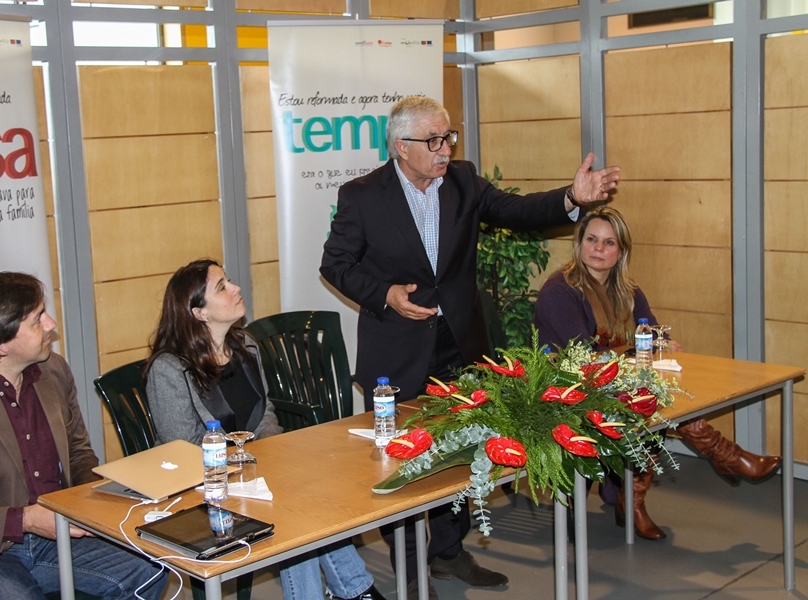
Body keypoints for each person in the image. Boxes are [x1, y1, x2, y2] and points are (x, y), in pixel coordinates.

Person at [319, 95, 620, 599]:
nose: (445, 149)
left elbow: (519, 211)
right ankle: (413, 576)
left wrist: (573, 196)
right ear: (401, 146)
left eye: (448, 137)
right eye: (433, 140)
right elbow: (336, 264)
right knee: (403, 465)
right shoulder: (362, 196)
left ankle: (450, 552)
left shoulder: (461, 180)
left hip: (459, 345)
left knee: (464, 453)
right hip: (397, 352)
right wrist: (385, 295)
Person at [0, 272, 166, 600]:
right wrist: (25, 520)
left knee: (150, 569)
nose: (51, 324)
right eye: (37, 319)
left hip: (55, 537)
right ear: (1, 342)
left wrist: (102, 504)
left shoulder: (54, 372)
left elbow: (79, 453)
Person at [533, 206, 781, 540]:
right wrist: (639, 352)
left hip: (613, 383)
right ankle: (720, 457)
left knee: (658, 395)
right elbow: (585, 354)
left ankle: (634, 496)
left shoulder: (627, 290)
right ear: (579, 244)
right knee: (655, 398)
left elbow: (650, 330)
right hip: (567, 390)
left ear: (621, 252)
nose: (598, 249)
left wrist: (663, 343)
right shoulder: (560, 290)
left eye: (609, 243)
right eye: (591, 240)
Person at [145, 259, 386, 600]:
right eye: (222, 287)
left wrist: (279, 462)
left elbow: (265, 416)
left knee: (303, 496)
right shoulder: (169, 369)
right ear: (199, 313)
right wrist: (253, 470)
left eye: (229, 280)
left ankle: (355, 591)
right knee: (291, 510)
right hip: (201, 489)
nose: (235, 288)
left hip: (253, 476)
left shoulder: (246, 346)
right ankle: (358, 591)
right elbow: (182, 448)